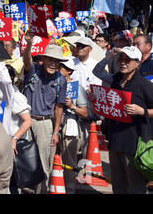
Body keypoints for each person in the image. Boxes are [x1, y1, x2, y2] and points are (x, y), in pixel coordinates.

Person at [91, 46, 153, 194]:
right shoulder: (115, 79)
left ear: (138, 63)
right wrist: (109, 56)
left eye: (128, 60)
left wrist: (142, 111)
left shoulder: (145, 85)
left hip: (136, 144)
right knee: (118, 185)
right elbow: (97, 72)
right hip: (115, 140)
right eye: (121, 59)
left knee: (135, 186)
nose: (123, 63)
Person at [22, 35, 67, 194]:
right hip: (25, 121)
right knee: (23, 158)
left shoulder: (61, 80)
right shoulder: (34, 70)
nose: (54, 64)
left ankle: (43, 190)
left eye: (57, 61)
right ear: (43, 59)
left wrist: (56, 131)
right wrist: (28, 45)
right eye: (50, 60)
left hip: (45, 123)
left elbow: (59, 107)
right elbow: (26, 61)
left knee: (44, 161)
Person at [58, 57, 89, 194]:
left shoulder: (78, 87)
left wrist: (72, 106)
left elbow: (85, 113)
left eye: (62, 67)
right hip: (54, 126)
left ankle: (69, 189)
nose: (59, 69)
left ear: (69, 71)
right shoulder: (53, 84)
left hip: (70, 127)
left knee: (69, 162)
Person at [4, 65, 32, 194]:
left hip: (14, 146)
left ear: (10, 78)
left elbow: (28, 121)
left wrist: (14, 139)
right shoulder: (1, 95)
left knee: (12, 183)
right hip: (2, 145)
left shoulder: (16, 96)